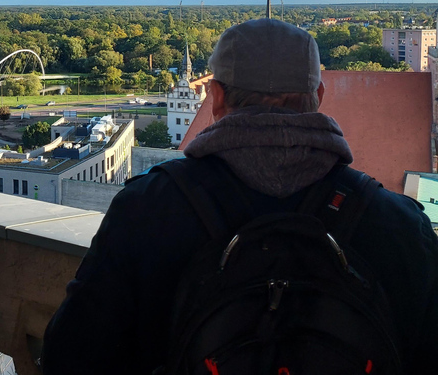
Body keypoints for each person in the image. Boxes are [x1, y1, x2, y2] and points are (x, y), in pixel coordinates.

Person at [41, 19, 438, 374]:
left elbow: (70, 356)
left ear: (215, 97)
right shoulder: (399, 224)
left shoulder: (147, 208)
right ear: (318, 95)